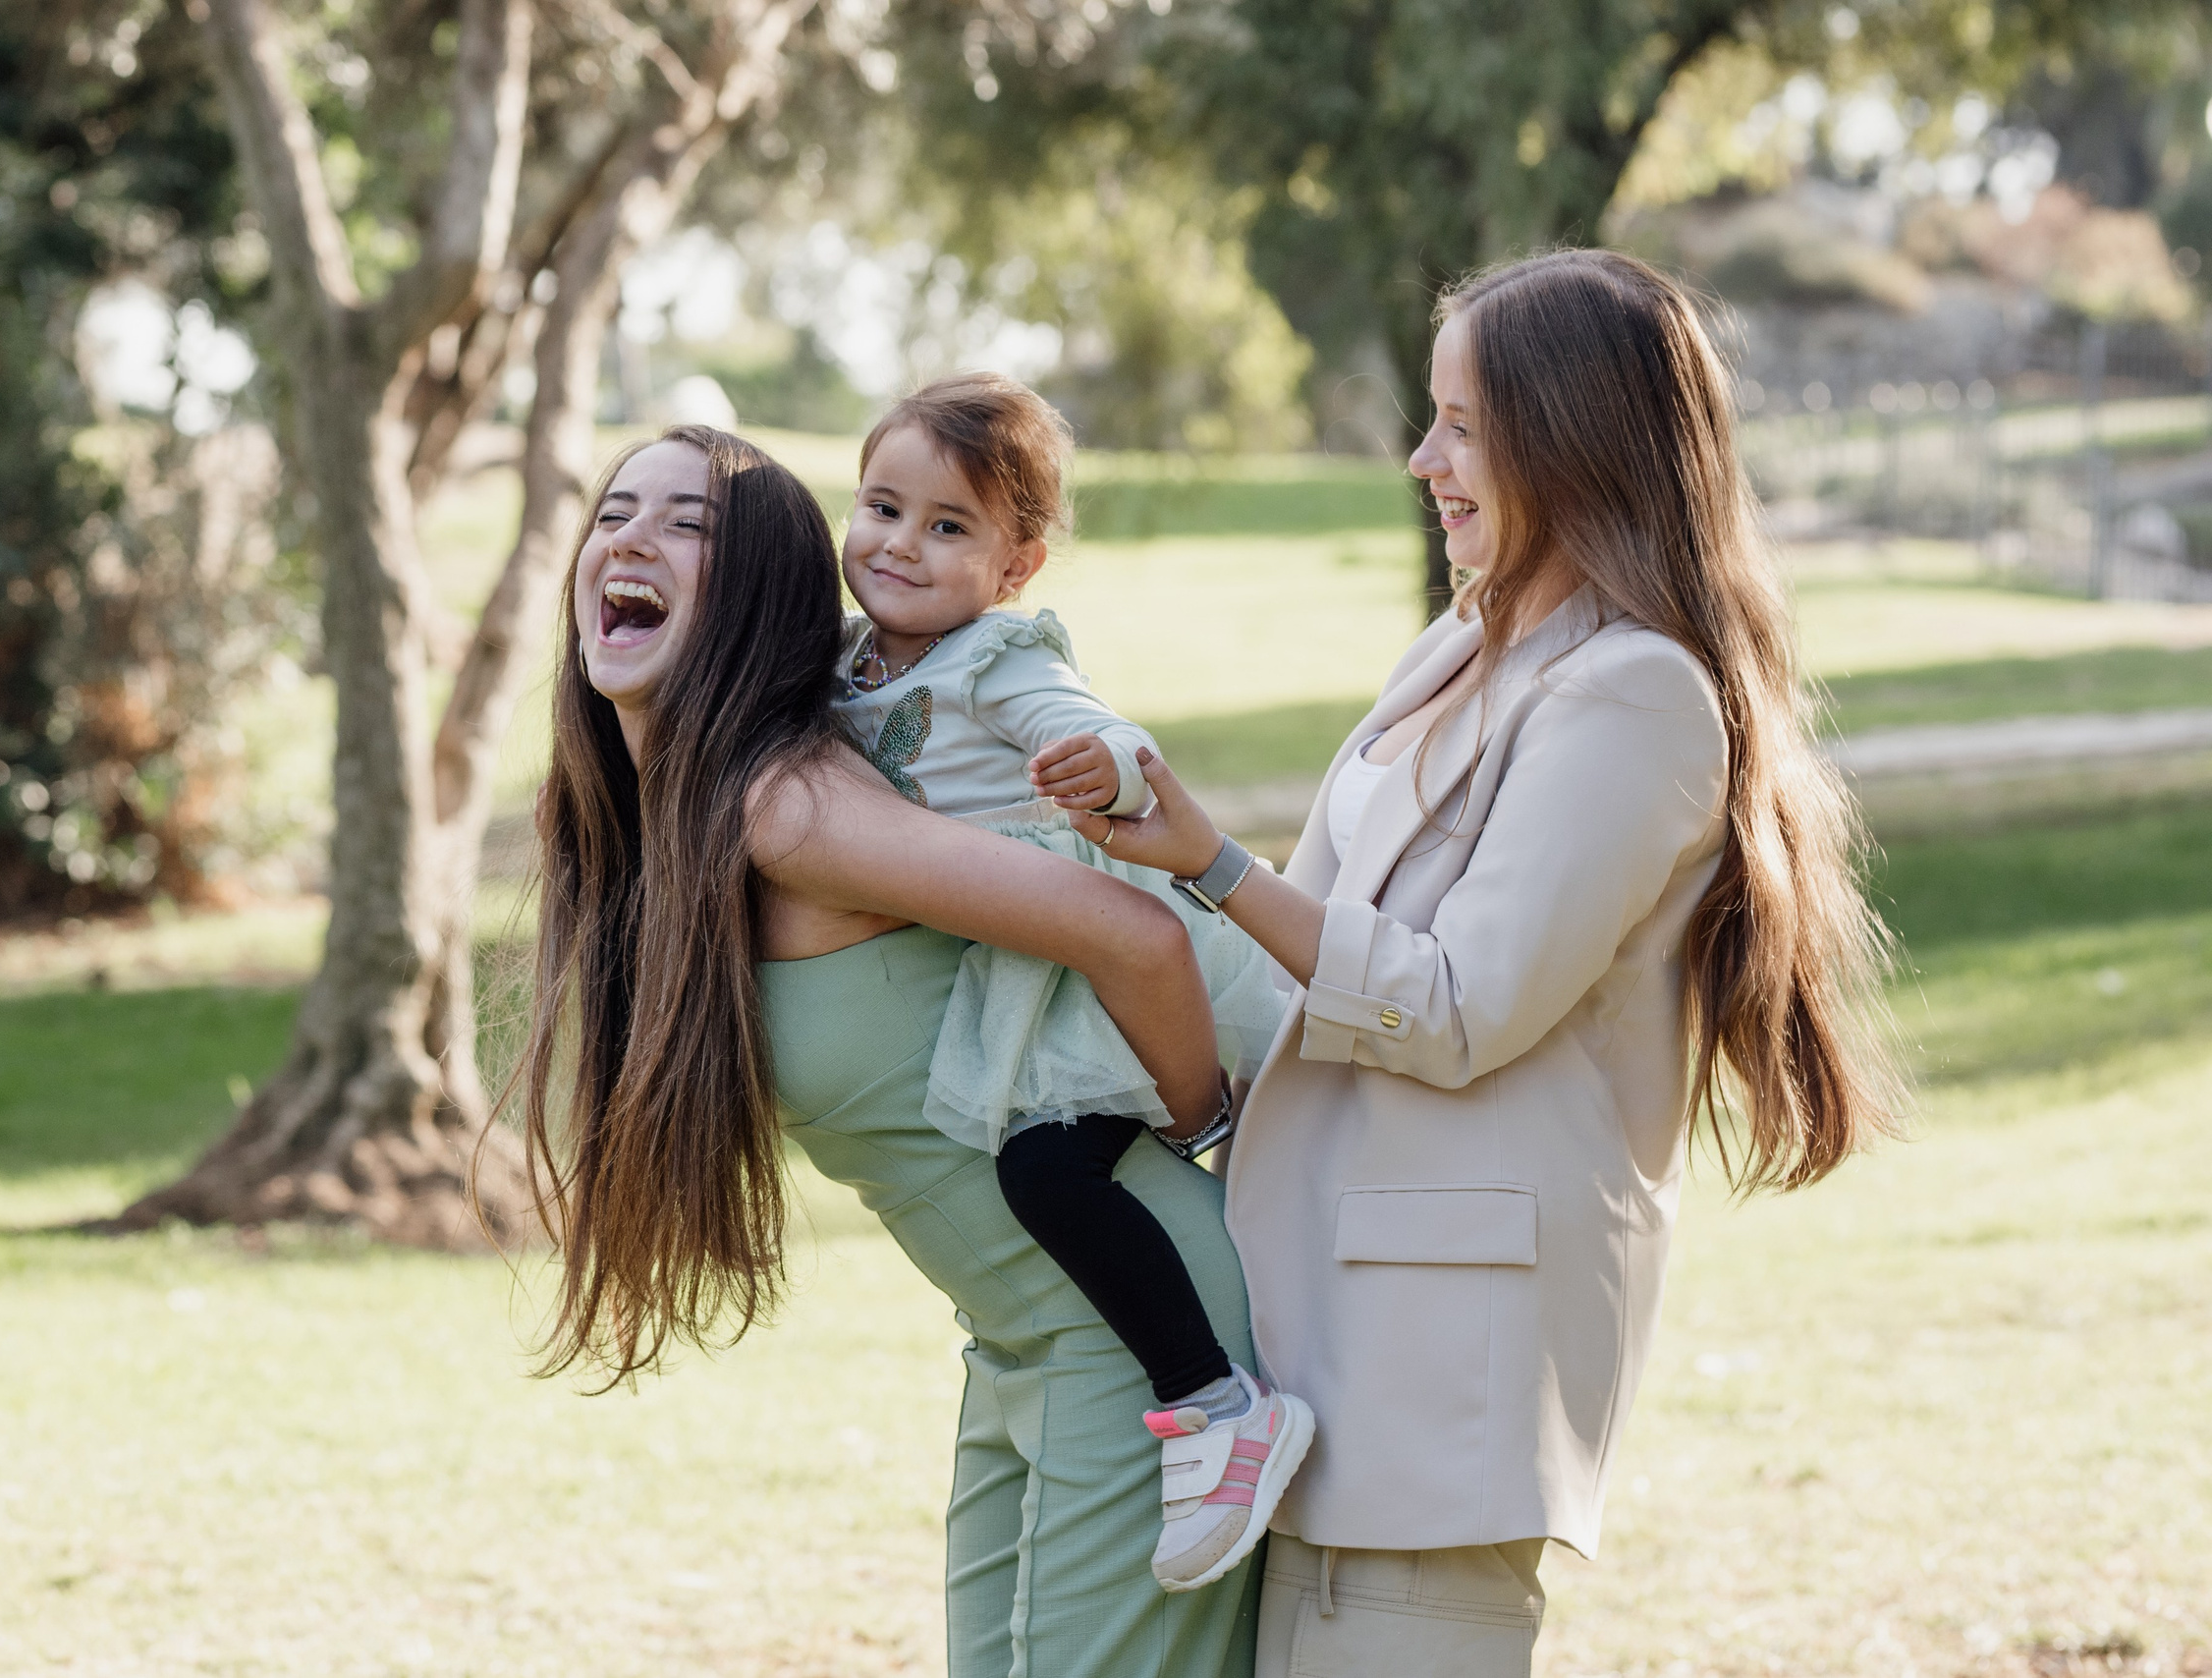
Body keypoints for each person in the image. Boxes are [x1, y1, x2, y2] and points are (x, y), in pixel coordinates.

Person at [1078, 250, 1906, 1675]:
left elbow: (1459, 1006)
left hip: (1439, 1377)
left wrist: (1214, 868)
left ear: (1570, 437)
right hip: (1320, 1329)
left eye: (1463, 424)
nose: (1422, 458)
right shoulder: (1461, 645)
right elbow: (1325, 949)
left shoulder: (1638, 696)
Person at [516, 422, 1270, 1676]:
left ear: (757, 587)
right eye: (614, 514)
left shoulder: (789, 807)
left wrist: (1217, 1141)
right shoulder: (674, 820)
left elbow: (1135, 934)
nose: (632, 539)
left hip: (1131, 1338)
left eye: (687, 524)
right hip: (1018, 1338)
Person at [835, 372, 1304, 1593]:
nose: (900, 544)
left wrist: (1107, 766)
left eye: (949, 527)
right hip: (1026, 959)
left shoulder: (997, 655)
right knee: (1105, 1168)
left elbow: (1102, 727)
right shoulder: (849, 665)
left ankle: (1214, 1403)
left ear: (1017, 562)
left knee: (1046, 1169)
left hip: (1093, 962)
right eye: (882, 507)